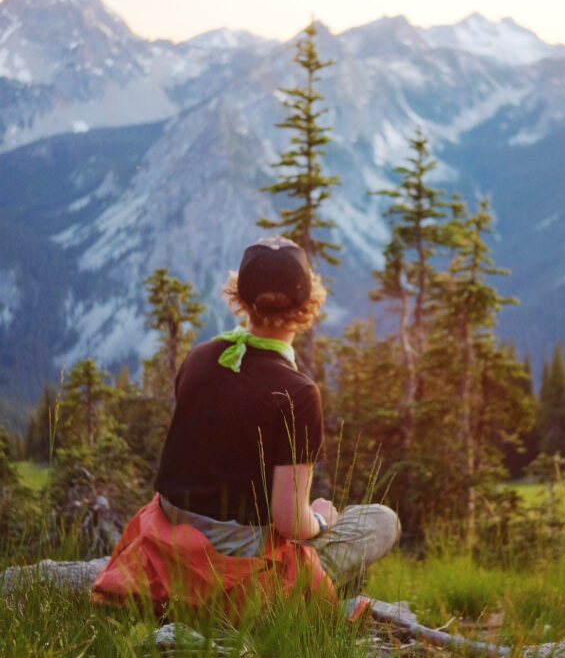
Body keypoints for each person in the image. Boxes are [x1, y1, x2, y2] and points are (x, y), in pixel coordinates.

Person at [92, 235, 399, 613]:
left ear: (239, 296)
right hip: (239, 576)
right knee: (381, 521)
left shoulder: (200, 357)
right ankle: (290, 601)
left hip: (166, 553)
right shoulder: (298, 392)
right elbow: (289, 522)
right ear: (309, 303)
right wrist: (321, 518)